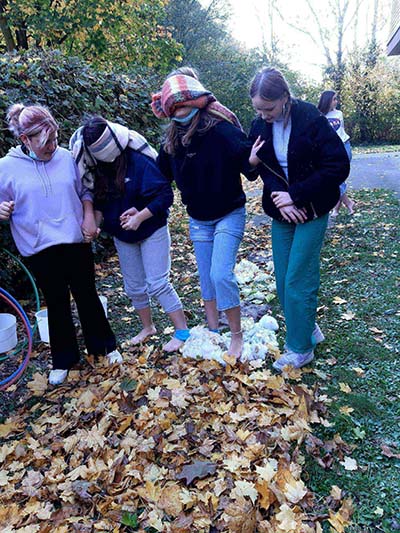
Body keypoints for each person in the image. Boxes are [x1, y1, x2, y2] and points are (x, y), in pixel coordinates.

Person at [0, 104, 122, 385]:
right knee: (56, 303)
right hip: (39, 247)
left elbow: (85, 190)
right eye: (45, 142)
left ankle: (105, 346)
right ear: (25, 140)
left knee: (87, 294)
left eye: (55, 138)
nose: (53, 146)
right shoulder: (5, 168)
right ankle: (64, 360)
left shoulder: (67, 157)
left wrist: (89, 215)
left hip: (74, 240)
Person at [248, 67, 350, 371]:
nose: (264, 115)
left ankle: (300, 349)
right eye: (257, 109)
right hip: (282, 211)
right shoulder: (259, 125)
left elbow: (337, 165)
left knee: (298, 278)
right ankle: (308, 328)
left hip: (313, 208)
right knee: (282, 280)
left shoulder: (310, 119)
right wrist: (282, 198)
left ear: (284, 97)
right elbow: (260, 166)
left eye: (269, 108)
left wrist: (297, 194)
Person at [151, 73, 253, 357]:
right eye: (176, 112)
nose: (181, 116)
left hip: (229, 212)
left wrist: (254, 159)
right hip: (198, 219)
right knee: (206, 277)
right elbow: (159, 176)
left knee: (221, 274)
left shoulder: (221, 131)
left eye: (185, 109)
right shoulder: (172, 139)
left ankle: (236, 335)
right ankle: (213, 329)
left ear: (198, 104)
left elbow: (249, 165)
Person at [70, 116, 189, 352]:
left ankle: (182, 331)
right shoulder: (95, 166)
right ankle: (148, 327)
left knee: (157, 283)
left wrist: (140, 216)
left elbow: (165, 195)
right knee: (134, 286)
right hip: (123, 236)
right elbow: (102, 203)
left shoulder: (138, 160)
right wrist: (94, 223)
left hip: (152, 228)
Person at [318, 90, 355, 216]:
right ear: (327, 100)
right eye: (334, 99)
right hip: (330, 150)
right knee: (335, 178)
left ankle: (336, 209)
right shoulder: (319, 116)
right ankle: (348, 203)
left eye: (336, 99)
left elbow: (340, 132)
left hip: (344, 146)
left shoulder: (339, 114)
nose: (336, 101)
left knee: (340, 177)